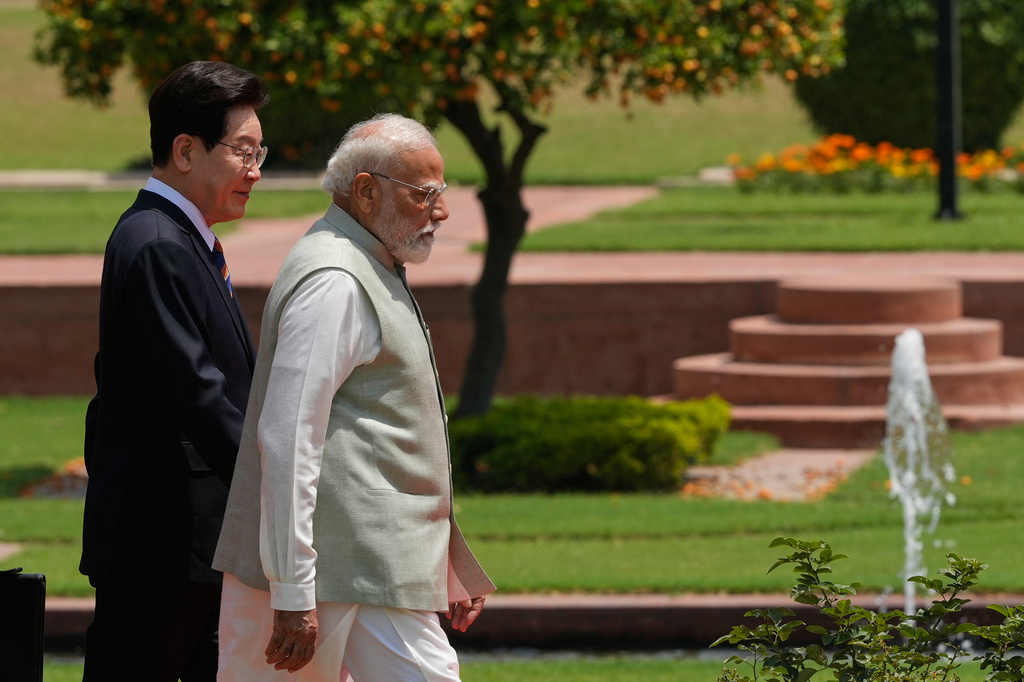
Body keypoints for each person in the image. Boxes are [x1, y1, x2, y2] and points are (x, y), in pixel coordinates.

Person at [213, 113, 495, 681]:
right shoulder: (336, 279)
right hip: (338, 579)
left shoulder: (363, 262)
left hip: (357, 573)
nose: (440, 213)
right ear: (366, 192)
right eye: (425, 195)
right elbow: (288, 438)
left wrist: (443, 561)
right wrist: (292, 590)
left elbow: (383, 439)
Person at [80, 60, 269, 682]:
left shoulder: (182, 239)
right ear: (185, 150)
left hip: (185, 548)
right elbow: (202, 398)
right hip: (158, 551)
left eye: (260, 151)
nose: (256, 170)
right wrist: (285, 490)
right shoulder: (158, 243)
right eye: (243, 150)